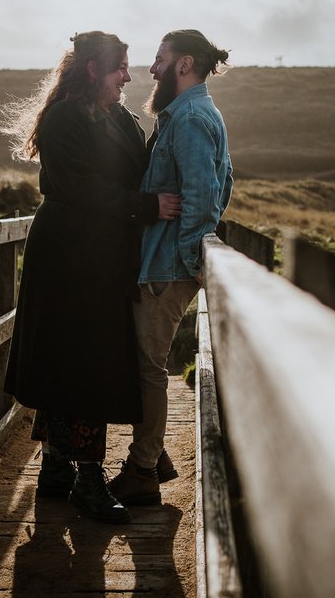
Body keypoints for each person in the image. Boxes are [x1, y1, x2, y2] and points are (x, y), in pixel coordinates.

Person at [0, 31, 181, 524]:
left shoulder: (120, 118)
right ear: (92, 71)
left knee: (81, 358)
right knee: (78, 360)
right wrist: (145, 207)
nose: (128, 76)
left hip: (102, 258)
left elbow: (137, 171)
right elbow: (84, 188)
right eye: (120, 67)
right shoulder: (62, 120)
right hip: (66, 257)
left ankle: (57, 470)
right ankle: (87, 480)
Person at [109, 29, 233, 505]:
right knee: (146, 362)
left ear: (184, 64)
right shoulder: (193, 113)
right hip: (164, 263)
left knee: (148, 367)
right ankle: (154, 452)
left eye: (159, 59)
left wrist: (183, 265)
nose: (152, 68)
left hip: (165, 267)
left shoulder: (190, 118)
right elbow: (228, 181)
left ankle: (142, 471)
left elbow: (204, 198)